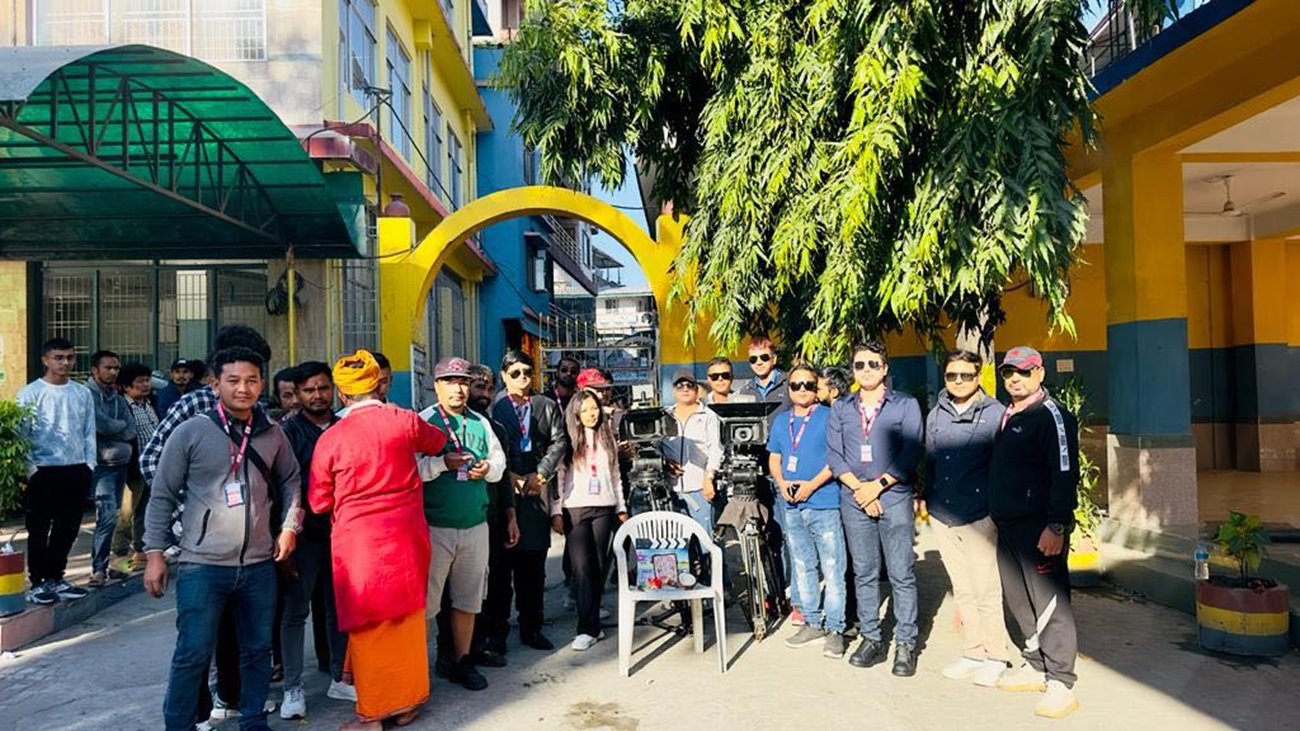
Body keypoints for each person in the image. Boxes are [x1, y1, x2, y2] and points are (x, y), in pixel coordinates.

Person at [143, 346, 303, 731]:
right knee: (193, 653)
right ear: (215, 384)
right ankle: (179, 725)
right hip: (202, 565)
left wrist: (289, 526)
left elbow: (291, 480)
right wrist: (154, 552)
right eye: (233, 380)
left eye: (251, 380)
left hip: (259, 566)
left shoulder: (272, 433)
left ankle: (253, 720)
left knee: (257, 650)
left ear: (261, 384)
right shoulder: (191, 432)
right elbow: (162, 493)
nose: (243, 388)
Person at [309, 349, 447, 731]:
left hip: (359, 546)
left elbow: (319, 502)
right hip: (407, 538)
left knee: (368, 626)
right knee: (407, 621)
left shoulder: (331, 438)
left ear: (342, 393)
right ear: (378, 385)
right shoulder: (404, 420)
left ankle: (372, 715)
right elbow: (437, 442)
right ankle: (408, 703)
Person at [986, 346, 1081, 719]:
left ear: (1039, 373)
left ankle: (1061, 682)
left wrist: (1056, 524)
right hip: (1008, 523)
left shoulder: (1052, 416)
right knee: (1019, 599)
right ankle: (1035, 664)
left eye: (1024, 372)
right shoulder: (1008, 412)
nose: (1015, 378)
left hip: (1040, 526)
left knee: (1050, 602)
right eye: (1009, 372)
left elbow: (1064, 473)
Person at [826, 340, 923, 677]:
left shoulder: (905, 404)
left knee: (901, 573)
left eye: (873, 364)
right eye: (859, 365)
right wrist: (860, 490)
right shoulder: (841, 408)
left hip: (893, 495)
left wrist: (877, 487)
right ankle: (871, 638)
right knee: (864, 572)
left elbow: (911, 452)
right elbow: (834, 455)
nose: (866, 370)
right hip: (854, 498)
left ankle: (906, 643)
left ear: (885, 368)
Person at [921, 350, 1011, 687]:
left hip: (979, 516)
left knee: (986, 589)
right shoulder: (936, 414)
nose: (958, 381)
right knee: (962, 589)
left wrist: (996, 510)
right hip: (943, 515)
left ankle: (996, 656)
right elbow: (930, 460)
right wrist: (927, 499)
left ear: (978, 376)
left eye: (966, 375)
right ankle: (973, 652)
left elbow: (1005, 467)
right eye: (951, 375)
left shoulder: (996, 414)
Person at [418, 356, 506, 691]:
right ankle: (418, 669)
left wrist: (488, 470)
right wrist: (442, 463)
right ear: (436, 386)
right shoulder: (423, 421)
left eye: (463, 382)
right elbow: (411, 470)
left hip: (475, 525)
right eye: (450, 381)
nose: (458, 388)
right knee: (427, 604)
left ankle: (462, 661)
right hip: (434, 526)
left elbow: (499, 462)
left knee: (468, 600)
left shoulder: (480, 422)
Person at [277, 361, 353, 720]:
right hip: (304, 536)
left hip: (343, 533)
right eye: (309, 390)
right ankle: (293, 688)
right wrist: (285, 534)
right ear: (297, 394)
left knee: (339, 610)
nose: (318, 395)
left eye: (323, 388)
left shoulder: (345, 427)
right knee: (295, 611)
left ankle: (340, 676)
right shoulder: (287, 433)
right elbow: (282, 486)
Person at [489, 349, 568, 652]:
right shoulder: (495, 407)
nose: (522, 378)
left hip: (536, 490)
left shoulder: (545, 405)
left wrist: (542, 473)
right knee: (501, 568)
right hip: (504, 489)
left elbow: (559, 441)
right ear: (504, 376)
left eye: (527, 372)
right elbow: (490, 447)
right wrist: (508, 474)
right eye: (515, 373)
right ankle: (497, 632)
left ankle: (531, 628)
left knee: (533, 567)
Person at [768, 365, 847, 659]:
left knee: (832, 567)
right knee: (802, 565)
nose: (802, 390)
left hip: (823, 502)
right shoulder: (782, 421)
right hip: (791, 504)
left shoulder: (829, 416)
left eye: (808, 385)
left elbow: (835, 460)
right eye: (796, 385)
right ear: (788, 388)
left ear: (817, 388)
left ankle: (836, 629)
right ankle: (812, 622)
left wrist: (810, 486)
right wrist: (782, 483)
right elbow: (775, 457)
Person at [17, 337, 95, 606]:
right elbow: (21, 434)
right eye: (59, 358)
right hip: (43, 470)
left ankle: (56, 577)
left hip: (76, 469)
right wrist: (31, 469)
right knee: (39, 529)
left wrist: (89, 464)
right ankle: (38, 582)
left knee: (68, 528)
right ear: (45, 360)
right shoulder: (29, 393)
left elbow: (88, 431)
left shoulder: (82, 393)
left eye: (70, 357)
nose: (65, 363)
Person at [552, 388, 628, 651]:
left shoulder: (607, 439)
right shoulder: (569, 440)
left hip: (604, 507)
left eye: (594, 408)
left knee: (597, 568)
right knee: (582, 568)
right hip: (575, 508)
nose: (591, 414)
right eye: (584, 410)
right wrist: (556, 511)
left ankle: (592, 624)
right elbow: (559, 477)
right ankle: (587, 628)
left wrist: (621, 506)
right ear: (576, 413)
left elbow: (616, 476)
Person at [465, 364, 521, 668]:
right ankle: (467, 647)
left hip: (495, 517)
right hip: (465, 518)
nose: (484, 394)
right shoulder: (453, 426)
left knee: (499, 582)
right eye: (478, 387)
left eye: (488, 388)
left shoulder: (496, 428)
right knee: (471, 587)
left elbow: (504, 480)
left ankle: (496, 639)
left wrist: (511, 517)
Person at [87, 349, 136, 587]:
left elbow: (131, 429)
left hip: (123, 464)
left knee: (122, 518)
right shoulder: (87, 395)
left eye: (116, 367)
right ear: (95, 370)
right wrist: (118, 427)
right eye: (108, 367)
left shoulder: (117, 397)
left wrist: (114, 428)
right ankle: (98, 570)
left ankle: (119, 566)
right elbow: (100, 425)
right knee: (106, 517)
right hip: (101, 467)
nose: (113, 372)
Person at [660, 369, 723, 534]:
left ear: (696, 389)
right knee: (676, 541)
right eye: (680, 386)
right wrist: (665, 463)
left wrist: (709, 478)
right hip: (671, 490)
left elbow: (715, 449)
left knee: (704, 538)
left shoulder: (709, 415)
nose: (685, 389)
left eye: (689, 385)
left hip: (699, 489)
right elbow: (656, 447)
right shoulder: (665, 416)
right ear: (673, 390)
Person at [112, 362, 158, 574]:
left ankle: (140, 551)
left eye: (147, 380)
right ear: (126, 386)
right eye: (140, 381)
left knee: (145, 511)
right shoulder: (123, 406)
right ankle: (119, 555)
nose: (145, 385)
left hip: (152, 466)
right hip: (132, 468)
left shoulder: (149, 403)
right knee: (127, 512)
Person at [735, 337, 790, 410]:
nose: (759, 362)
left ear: (774, 359)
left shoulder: (789, 385)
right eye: (753, 359)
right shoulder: (745, 392)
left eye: (764, 357)